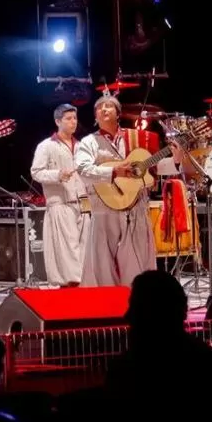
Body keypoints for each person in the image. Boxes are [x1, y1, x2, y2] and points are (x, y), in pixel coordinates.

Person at [74, 93, 158, 286]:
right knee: (103, 262)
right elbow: (82, 170)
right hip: (104, 207)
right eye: (99, 108)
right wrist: (114, 172)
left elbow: (155, 169)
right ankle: (107, 306)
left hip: (135, 207)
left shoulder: (137, 138)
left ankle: (137, 301)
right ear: (95, 117)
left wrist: (176, 160)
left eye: (108, 106)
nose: (103, 109)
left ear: (118, 113)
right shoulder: (89, 142)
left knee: (137, 262)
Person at [30, 103, 90, 287]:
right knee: (67, 252)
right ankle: (71, 289)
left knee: (84, 249)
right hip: (61, 203)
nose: (73, 122)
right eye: (68, 118)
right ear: (58, 121)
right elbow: (36, 172)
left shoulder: (81, 146)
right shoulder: (46, 146)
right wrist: (57, 175)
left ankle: (83, 287)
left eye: (75, 118)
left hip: (83, 203)